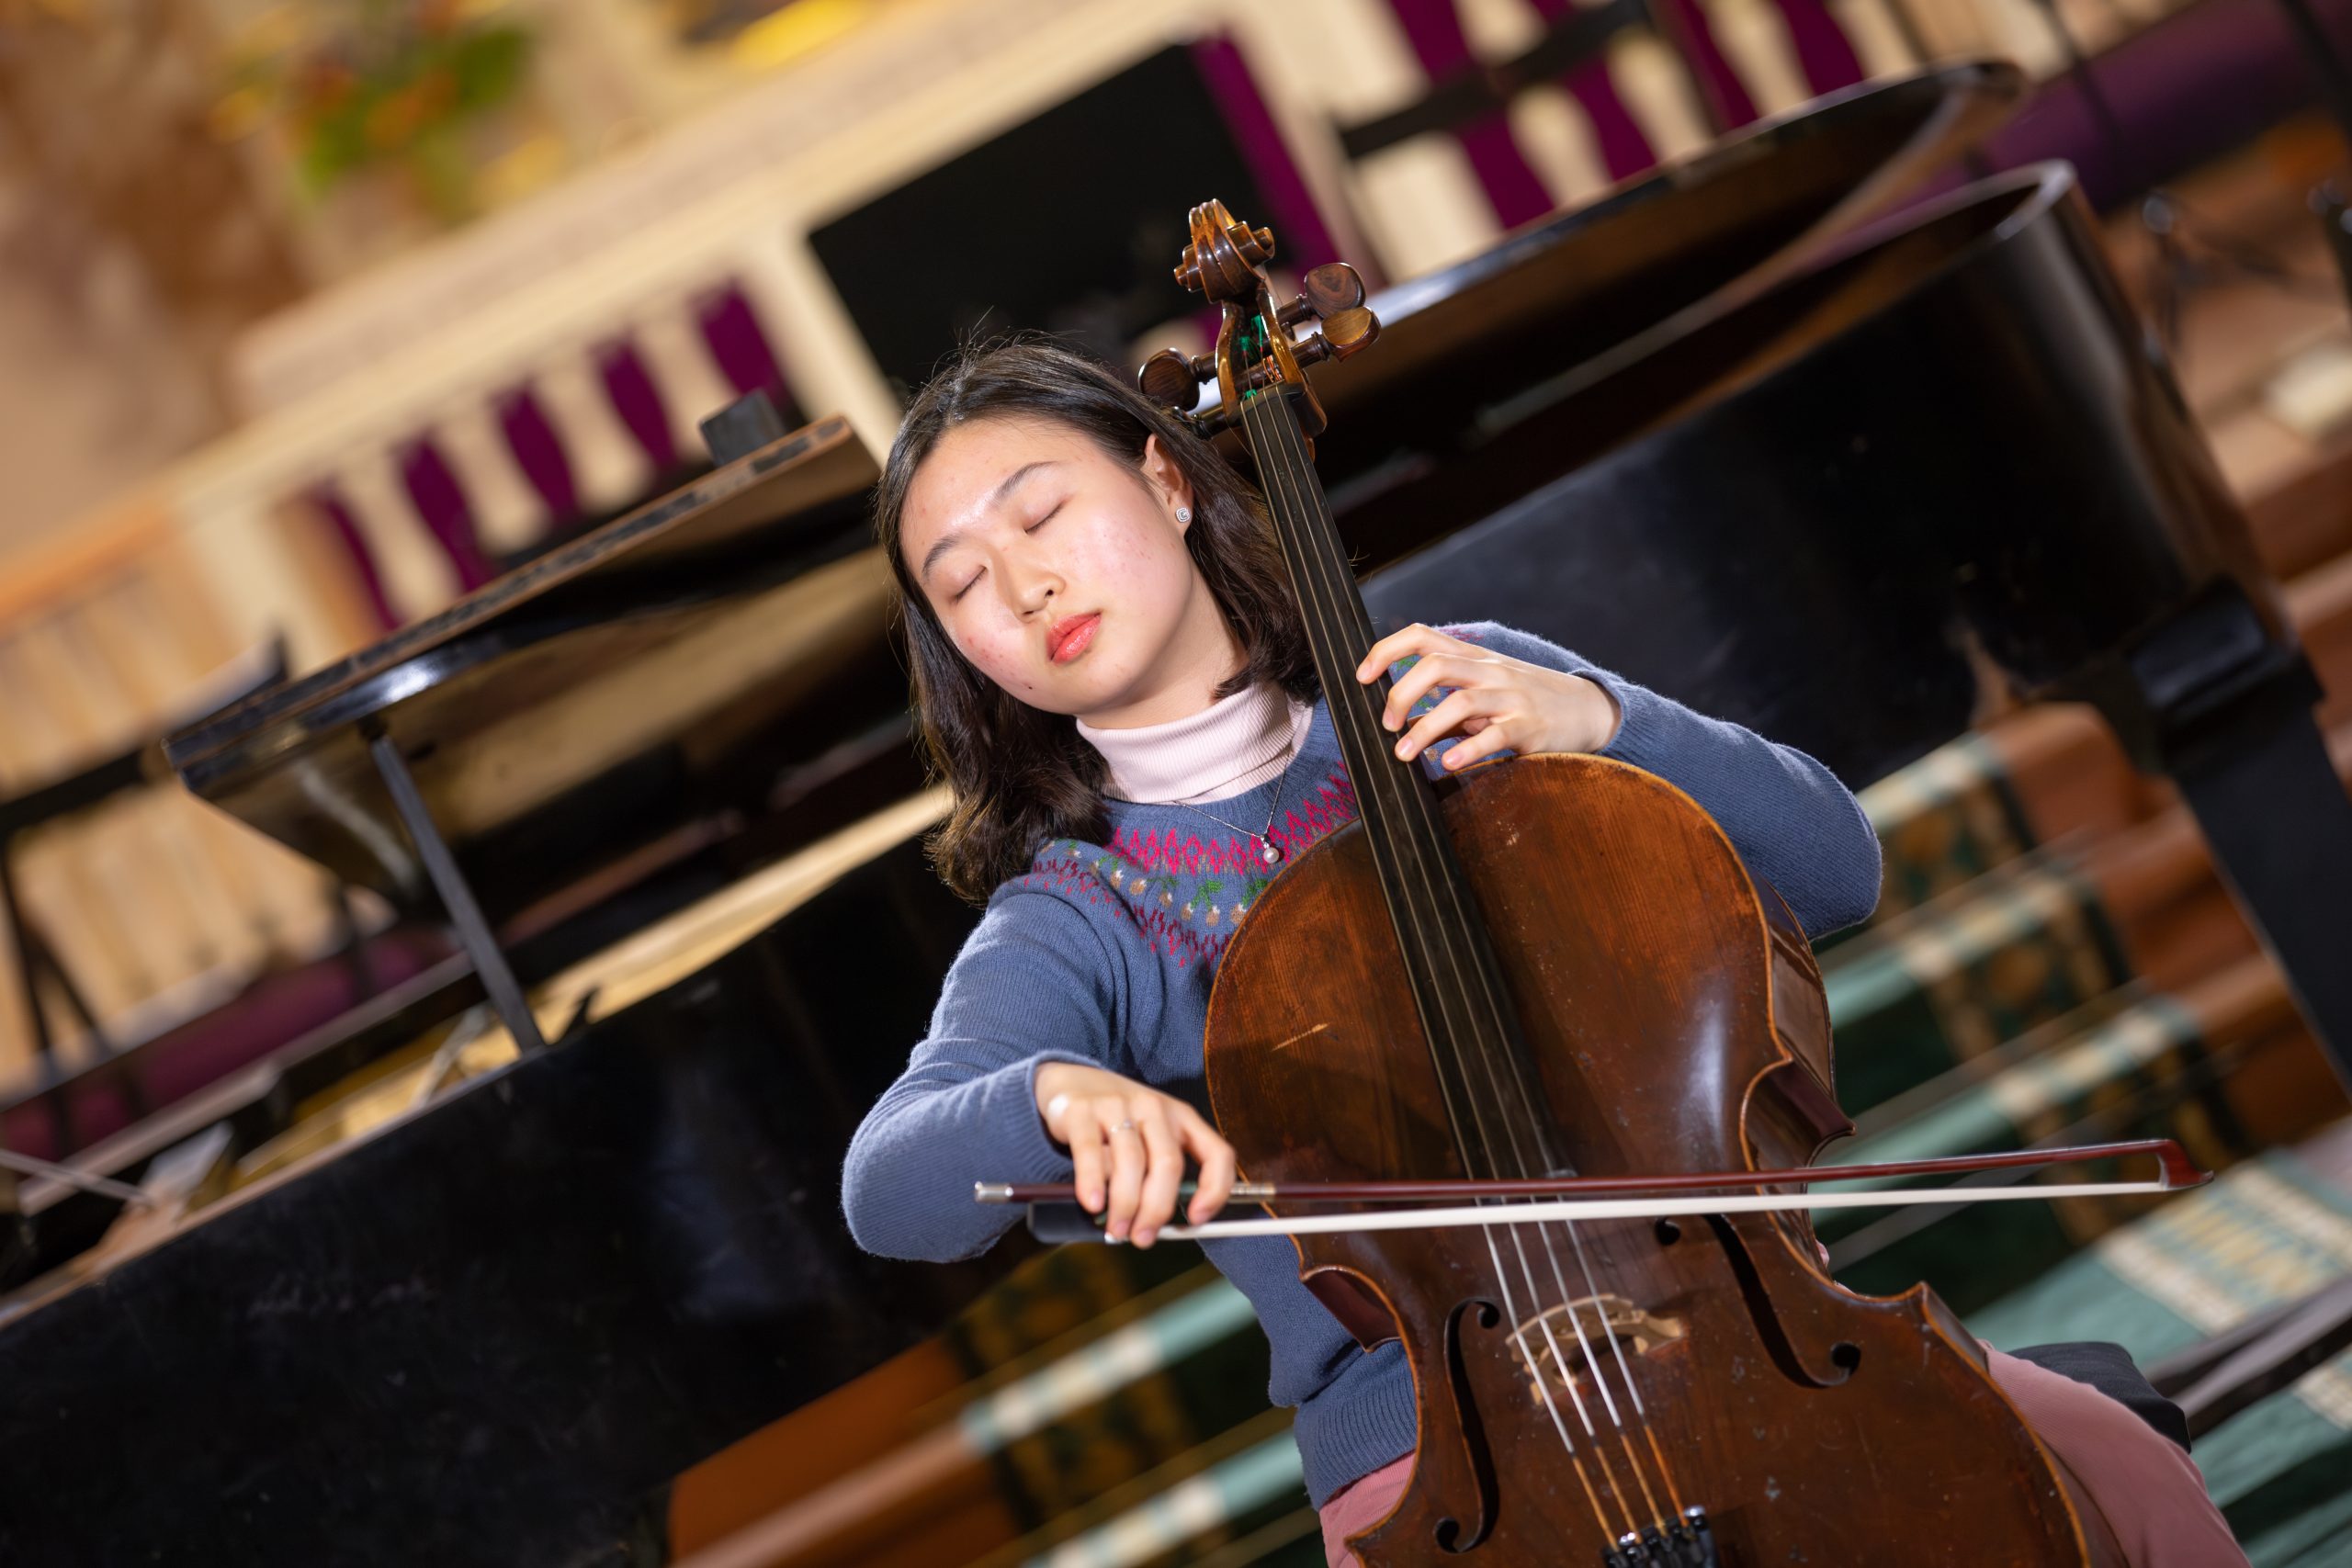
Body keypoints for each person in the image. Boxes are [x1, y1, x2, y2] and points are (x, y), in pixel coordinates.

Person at [840, 340, 2246, 1568]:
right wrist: (1050, 1098)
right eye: (962, 585)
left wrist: (1599, 720)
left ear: (1166, 479)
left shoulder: (1464, 693)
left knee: (2113, 1472)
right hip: (1436, 1458)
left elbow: (1837, 869)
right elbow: (886, 1187)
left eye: (1043, 513)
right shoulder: (1082, 916)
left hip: (1734, 1331)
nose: (1024, 585)